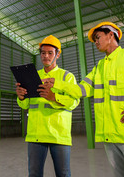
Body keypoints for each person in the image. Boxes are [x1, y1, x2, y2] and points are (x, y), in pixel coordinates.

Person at [40, 22, 124, 177]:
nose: (95, 42)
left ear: (111, 34)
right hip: (109, 137)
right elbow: (81, 90)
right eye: (94, 39)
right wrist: (58, 83)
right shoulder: (100, 67)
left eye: (98, 37)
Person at [16, 35, 80, 177]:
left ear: (58, 54)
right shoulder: (32, 75)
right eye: (43, 53)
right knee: (34, 174)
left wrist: (54, 97)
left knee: (63, 174)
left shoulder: (66, 77)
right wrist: (21, 96)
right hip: (36, 134)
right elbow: (26, 104)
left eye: (50, 53)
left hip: (58, 135)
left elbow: (74, 102)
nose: (46, 56)